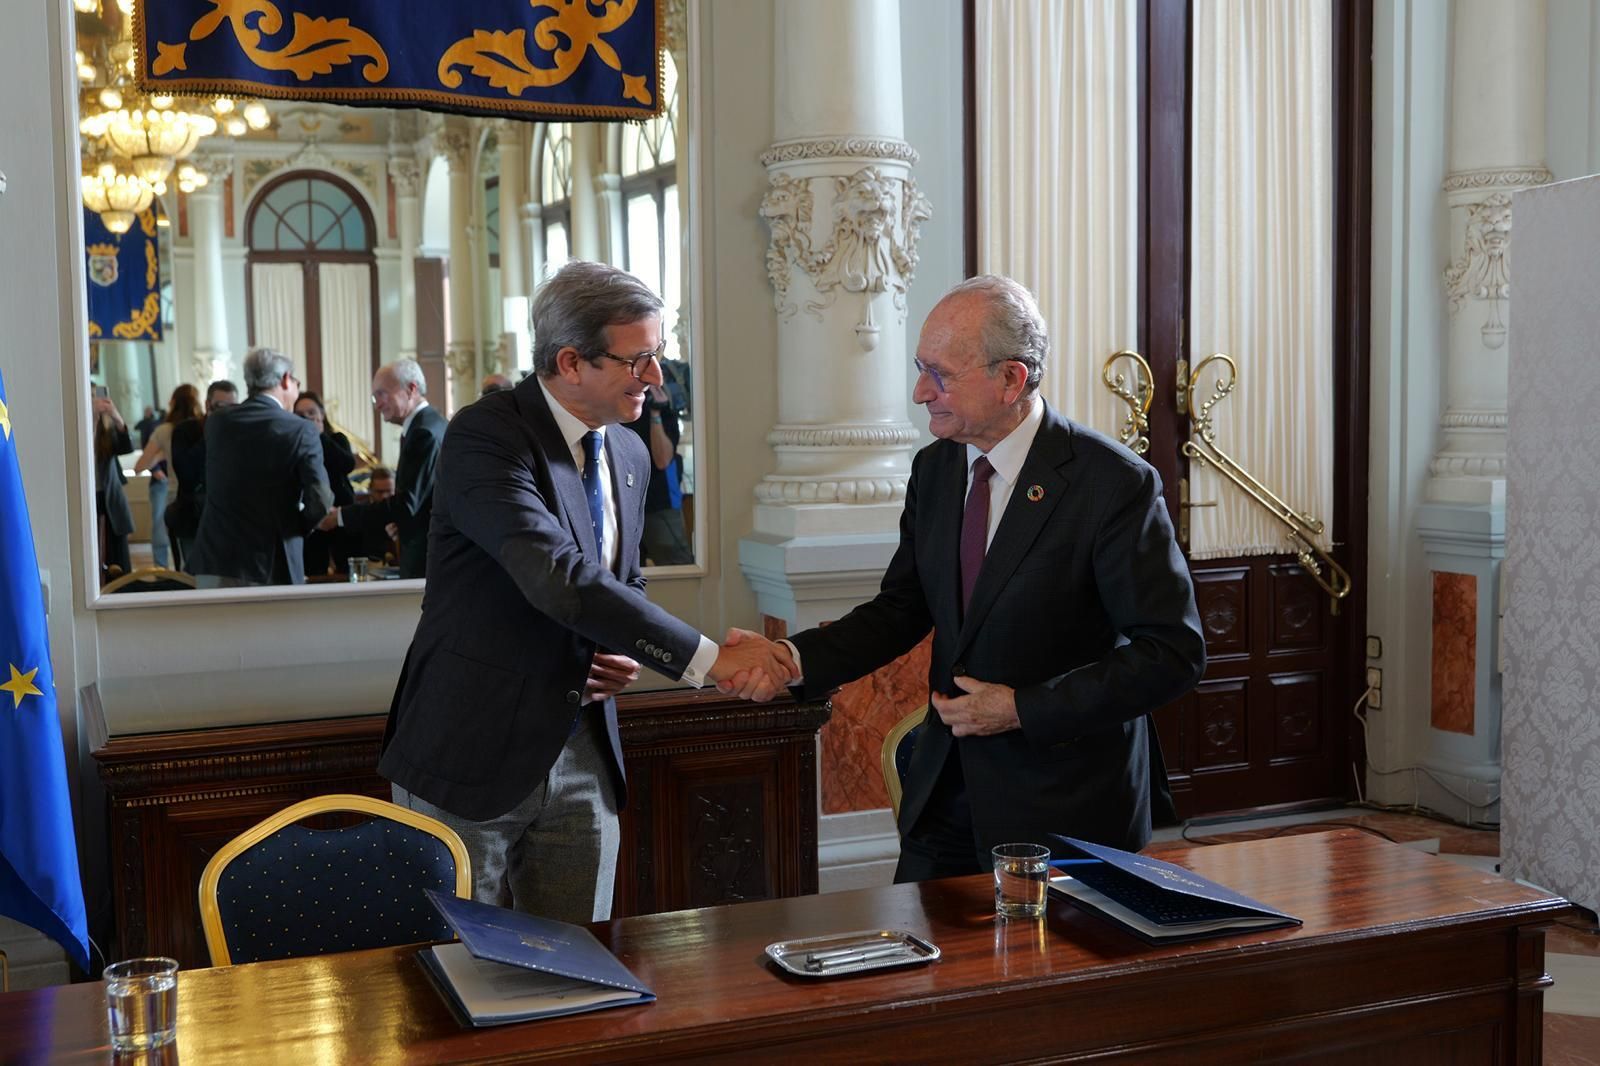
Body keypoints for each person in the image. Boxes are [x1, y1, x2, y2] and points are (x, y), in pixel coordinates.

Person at [733, 275, 1206, 882]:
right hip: (945, 790)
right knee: (924, 966)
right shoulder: (935, 470)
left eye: (941, 374)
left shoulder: (1112, 484)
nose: (919, 391)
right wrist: (791, 658)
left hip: (1063, 802)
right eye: (919, 368)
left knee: (1046, 975)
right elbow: (901, 607)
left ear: (1012, 378)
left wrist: (1023, 709)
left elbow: (1171, 653)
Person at [379, 260, 792, 924]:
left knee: (581, 964)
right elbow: (558, 575)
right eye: (639, 361)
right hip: (470, 749)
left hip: (583, 755)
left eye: (658, 357)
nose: (656, 378)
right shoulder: (485, 438)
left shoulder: (626, 454)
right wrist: (712, 659)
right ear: (571, 362)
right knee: (454, 977)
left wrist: (621, 651)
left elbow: (617, 584)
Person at [188, 349, 332, 587]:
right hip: (270, 562)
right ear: (286, 379)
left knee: (218, 625)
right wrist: (296, 527)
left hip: (215, 559)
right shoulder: (301, 429)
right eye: (296, 382)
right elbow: (320, 498)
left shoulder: (217, 422)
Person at [317, 359, 444, 579]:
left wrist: (341, 516)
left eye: (382, 394)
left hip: (427, 560)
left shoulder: (423, 432)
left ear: (411, 389)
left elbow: (407, 503)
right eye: (375, 397)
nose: (377, 405)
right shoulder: (430, 424)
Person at [164, 380, 237, 572]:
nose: (227, 413)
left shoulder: (240, 433)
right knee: (196, 578)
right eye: (221, 407)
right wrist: (211, 432)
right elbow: (186, 474)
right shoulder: (186, 430)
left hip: (230, 521)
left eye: (233, 407)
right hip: (193, 519)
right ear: (207, 405)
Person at [622, 367, 692, 565]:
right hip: (624, 503)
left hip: (660, 501)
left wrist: (655, 413)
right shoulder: (614, 408)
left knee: (675, 563)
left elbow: (662, 460)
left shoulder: (663, 408)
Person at [134, 384, 203, 569]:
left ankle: (165, 576)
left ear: (173, 402)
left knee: (182, 552)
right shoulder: (205, 427)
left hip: (175, 496)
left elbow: (139, 466)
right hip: (204, 496)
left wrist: (161, 455)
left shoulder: (164, 431)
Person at [293, 390, 356, 577]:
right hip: (313, 519)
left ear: (321, 414)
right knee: (314, 570)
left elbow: (347, 464)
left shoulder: (336, 439)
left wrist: (318, 436)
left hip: (341, 513)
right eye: (300, 415)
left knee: (345, 569)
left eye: (311, 412)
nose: (307, 418)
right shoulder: (294, 444)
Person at [91, 394, 134, 580]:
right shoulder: (78, 427)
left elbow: (126, 447)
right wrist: (91, 417)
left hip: (109, 499)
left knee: (117, 559)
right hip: (88, 498)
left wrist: (114, 415)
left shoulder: (106, 431)